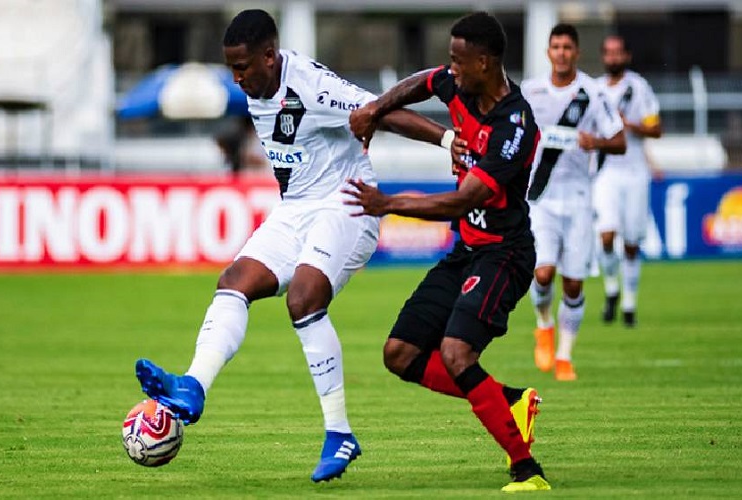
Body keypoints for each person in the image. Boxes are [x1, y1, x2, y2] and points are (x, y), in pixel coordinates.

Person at [134, 9, 446, 483]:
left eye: (243, 67)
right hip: (296, 207)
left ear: (269, 56)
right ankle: (193, 386)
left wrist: (448, 140)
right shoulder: (255, 87)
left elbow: (381, 110)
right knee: (234, 281)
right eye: (231, 68)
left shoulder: (311, 87)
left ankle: (339, 433)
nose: (237, 79)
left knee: (302, 298)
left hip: (347, 203)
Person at [348, 12, 550, 493]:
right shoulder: (460, 85)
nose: (451, 70)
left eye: (459, 61)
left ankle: (527, 469)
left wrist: (387, 203)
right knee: (399, 354)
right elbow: (424, 82)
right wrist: (376, 108)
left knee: (457, 353)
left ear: (486, 62)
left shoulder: (514, 127)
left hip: (504, 255)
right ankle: (508, 400)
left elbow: (461, 202)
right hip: (467, 252)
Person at [521, 24, 626, 381]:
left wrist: (595, 142)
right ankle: (543, 324)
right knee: (542, 272)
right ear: (548, 52)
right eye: (556, 47)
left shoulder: (593, 94)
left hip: (580, 198)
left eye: (568, 47)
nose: (562, 53)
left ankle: (564, 357)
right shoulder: (531, 91)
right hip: (540, 197)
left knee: (574, 284)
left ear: (577, 52)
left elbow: (620, 141)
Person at [594, 34, 662, 327]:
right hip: (605, 172)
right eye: (608, 52)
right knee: (607, 235)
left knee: (632, 242)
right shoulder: (594, 90)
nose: (613, 57)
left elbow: (656, 128)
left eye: (618, 52)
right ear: (603, 57)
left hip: (635, 172)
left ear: (626, 56)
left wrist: (629, 124)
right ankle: (612, 289)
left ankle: (629, 304)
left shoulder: (638, 87)